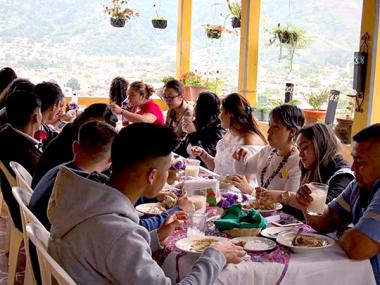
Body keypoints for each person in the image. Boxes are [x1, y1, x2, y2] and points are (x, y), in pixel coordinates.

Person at [48, 123, 245, 284]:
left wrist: (154, 237)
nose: (168, 176)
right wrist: (215, 256)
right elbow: (117, 242)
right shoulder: (119, 232)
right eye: (167, 170)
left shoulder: (82, 200)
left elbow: (106, 250)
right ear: (152, 176)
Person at [296, 123, 380, 285]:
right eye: (354, 158)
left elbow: (358, 247)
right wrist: (309, 204)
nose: (353, 167)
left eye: (361, 161)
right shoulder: (358, 185)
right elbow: (329, 220)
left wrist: (342, 232)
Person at [30, 121, 117, 229]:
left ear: (75, 147)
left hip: (38, 232)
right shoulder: (84, 186)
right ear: (111, 159)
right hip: (50, 238)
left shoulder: (60, 170)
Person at [31, 103, 118, 188]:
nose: (94, 131)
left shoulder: (71, 134)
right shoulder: (68, 145)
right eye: (91, 126)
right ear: (82, 121)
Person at [191, 93, 267, 187]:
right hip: (219, 189)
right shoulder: (229, 133)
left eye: (221, 112)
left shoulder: (248, 141)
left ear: (230, 114)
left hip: (238, 196)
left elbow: (246, 185)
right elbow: (218, 167)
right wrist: (203, 154)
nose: (219, 116)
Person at [233, 104, 304, 196]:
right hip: (260, 207)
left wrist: (251, 191)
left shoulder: (297, 162)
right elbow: (243, 169)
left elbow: (288, 201)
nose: (269, 131)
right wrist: (240, 157)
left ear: (292, 132)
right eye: (269, 125)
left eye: (275, 127)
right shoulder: (268, 150)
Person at [0, 89, 42, 231]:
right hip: (33, 218)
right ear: (36, 117)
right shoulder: (25, 152)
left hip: (19, 208)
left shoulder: (6, 134)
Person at [175, 91, 226, 161]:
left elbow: (206, 162)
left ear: (203, 109)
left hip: (201, 170)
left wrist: (192, 134)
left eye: (196, 104)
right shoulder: (197, 124)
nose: (193, 106)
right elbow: (179, 152)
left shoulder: (217, 131)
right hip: (187, 166)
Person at [34, 81, 65, 149]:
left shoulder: (35, 125)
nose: (60, 109)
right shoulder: (39, 132)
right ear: (53, 107)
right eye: (59, 106)